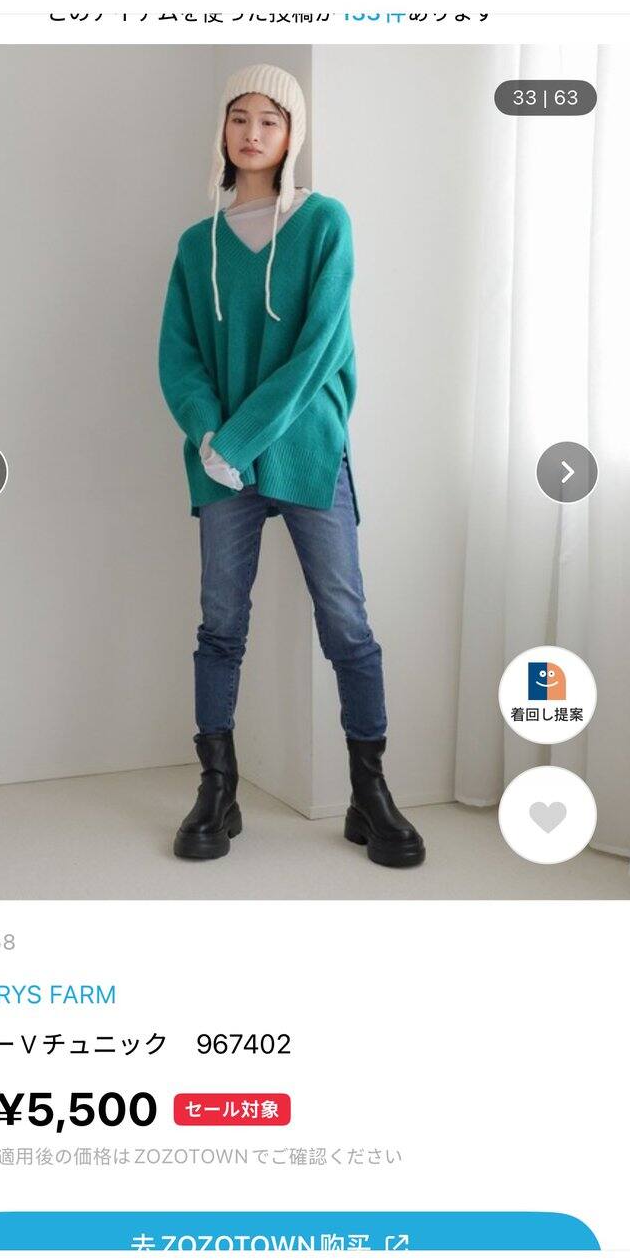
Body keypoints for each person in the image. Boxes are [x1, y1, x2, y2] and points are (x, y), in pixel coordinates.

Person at [158, 62, 425, 869]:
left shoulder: (324, 223)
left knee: (347, 624)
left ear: (291, 134)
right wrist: (211, 436)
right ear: (221, 129)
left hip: (305, 449)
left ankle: (369, 793)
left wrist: (237, 440)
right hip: (221, 463)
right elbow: (179, 358)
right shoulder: (197, 244)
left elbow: (319, 352)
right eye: (239, 116)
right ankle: (218, 790)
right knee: (220, 625)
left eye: (270, 120)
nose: (252, 133)